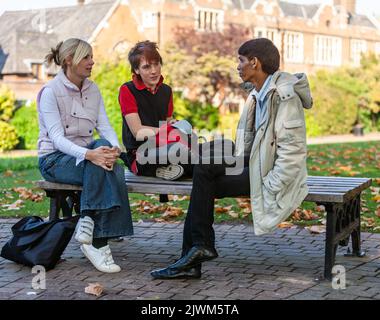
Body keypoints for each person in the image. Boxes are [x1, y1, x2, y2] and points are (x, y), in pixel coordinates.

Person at [150, 38, 313, 279]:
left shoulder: (283, 97)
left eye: (241, 61)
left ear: (255, 63)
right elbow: (250, 145)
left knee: (203, 182)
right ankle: (196, 251)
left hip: (271, 174)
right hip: (255, 164)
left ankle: (195, 253)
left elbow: (293, 153)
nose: (237, 66)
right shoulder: (259, 93)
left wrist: (271, 185)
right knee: (204, 168)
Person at [37, 38, 133, 273]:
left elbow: (105, 125)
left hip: (89, 155)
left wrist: (113, 148)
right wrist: (91, 154)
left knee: (106, 156)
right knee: (111, 170)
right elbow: (58, 139)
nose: (92, 62)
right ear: (69, 60)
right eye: (86, 57)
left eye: (91, 56)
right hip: (55, 159)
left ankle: (88, 224)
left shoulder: (93, 89)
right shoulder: (51, 92)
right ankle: (98, 241)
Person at [118, 40, 192, 180]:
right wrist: (170, 130)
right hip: (140, 153)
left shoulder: (166, 90)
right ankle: (169, 168)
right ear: (136, 70)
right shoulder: (127, 90)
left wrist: (176, 125)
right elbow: (138, 131)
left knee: (220, 148)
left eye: (156, 64)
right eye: (146, 67)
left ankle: (168, 170)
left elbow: (167, 120)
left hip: (165, 146)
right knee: (183, 151)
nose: (154, 71)